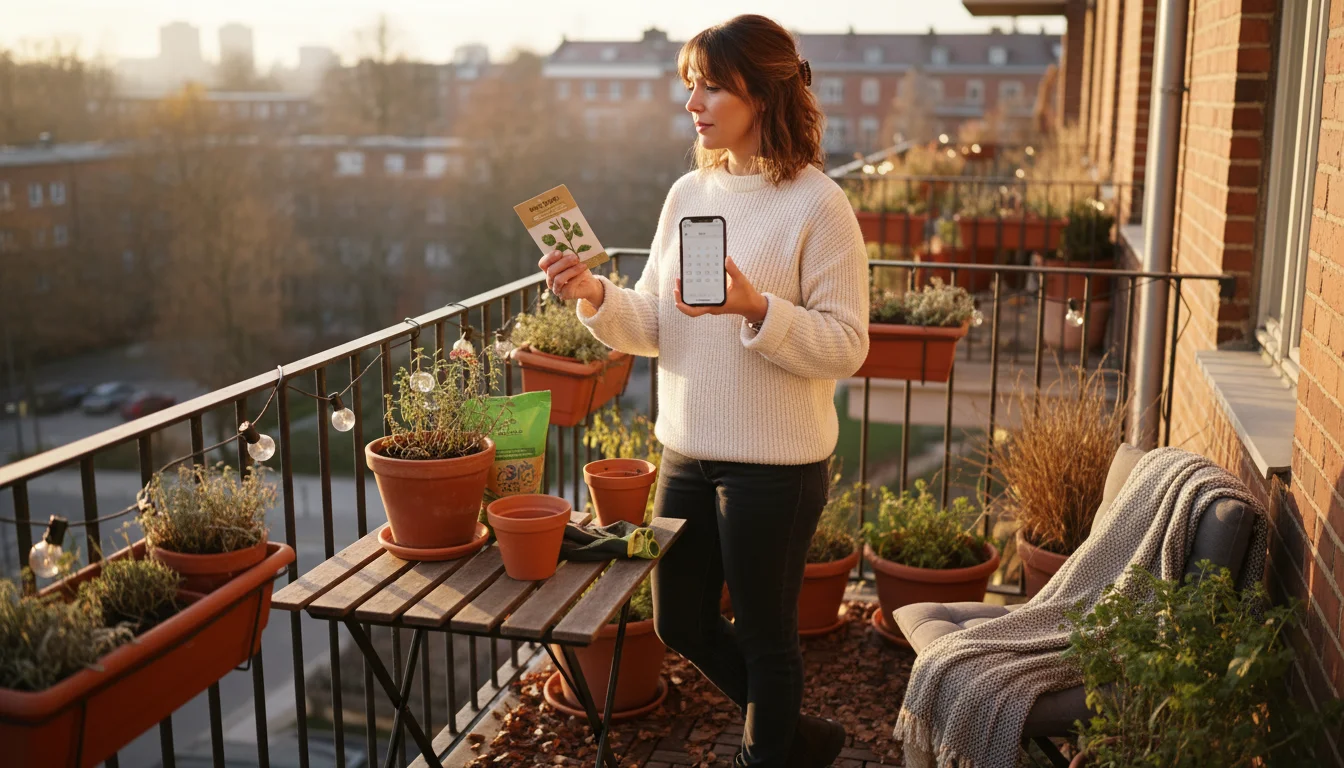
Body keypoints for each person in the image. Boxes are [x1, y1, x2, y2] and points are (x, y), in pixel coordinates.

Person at [538, 14, 869, 768]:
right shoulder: (688, 192)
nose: (694, 100)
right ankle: (802, 739)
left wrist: (758, 309)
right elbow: (655, 322)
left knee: (764, 634)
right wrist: (592, 293)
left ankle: (771, 753)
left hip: (776, 466)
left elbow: (848, 346)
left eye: (712, 84)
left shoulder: (820, 206)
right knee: (678, 621)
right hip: (688, 449)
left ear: (764, 90)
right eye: (690, 84)